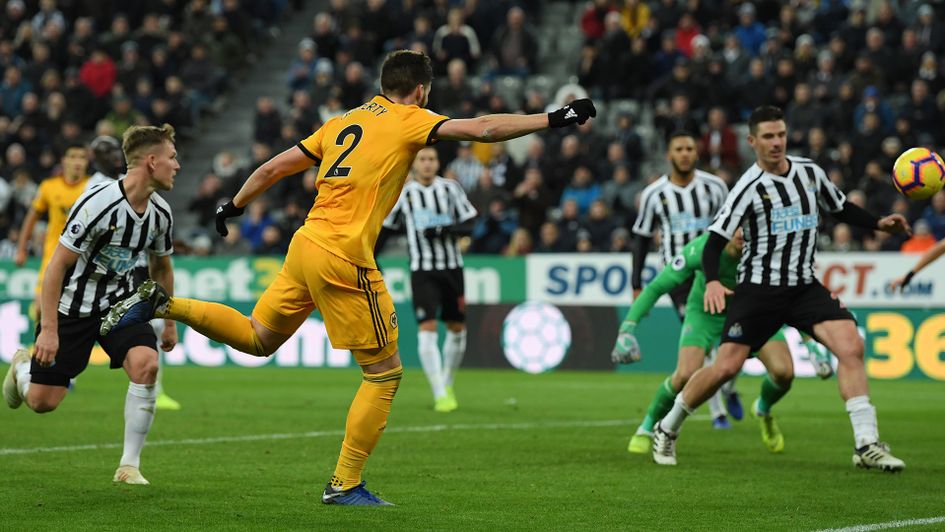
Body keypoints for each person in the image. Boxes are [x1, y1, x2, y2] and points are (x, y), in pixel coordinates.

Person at [100, 50, 596, 506]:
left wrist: (234, 203)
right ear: (421, 90)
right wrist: (556, 117)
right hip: (344, 255)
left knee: (257, 337)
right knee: (385, 373)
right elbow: (485, 129)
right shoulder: (411, 119)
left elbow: (276, 167)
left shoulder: (341, 122)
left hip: (306, 242)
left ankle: (165, 304)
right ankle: (344, 483)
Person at [651, 106, 909, 471]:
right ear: (752, 141)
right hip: (758, 290)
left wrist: (880, 224)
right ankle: (668, 426)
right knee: (725, 368)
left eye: (781, 135)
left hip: (803, 286)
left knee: (851, 345)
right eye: (769, 137)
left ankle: (866, 443)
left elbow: (841, 208)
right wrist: (711, 281)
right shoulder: (747, 186)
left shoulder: (809, 172)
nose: (777, 143)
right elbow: (713, 243)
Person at [2, 124, 179, 485]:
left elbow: (161, 266)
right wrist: (49, 331)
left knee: (147, 366)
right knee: (42, 402)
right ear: (150, 161)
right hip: (72, 307)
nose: (177, 166)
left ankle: (129, 465)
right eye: (172, 158)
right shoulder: (98, 203)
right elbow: (56, 268)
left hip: (120, 304)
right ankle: (23, 368)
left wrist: (170, 319)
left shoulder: (161, 214)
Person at [613, 229, 795, 455]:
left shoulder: (767, 249)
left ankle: (762, 409)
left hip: (750, 314)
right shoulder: (702, 248)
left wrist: (810, 341)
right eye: (738, 226)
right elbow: (657, 286)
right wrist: (627, 329)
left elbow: (793, 293)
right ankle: (647, 427)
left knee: (784, 372)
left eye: (749, 226)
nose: (742, 232)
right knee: (685, 374)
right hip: (705, 312)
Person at [630, 130, 738, 428]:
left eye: (690, 147)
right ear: (669, 154)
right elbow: (640, 239)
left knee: (733, 337)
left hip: (714, 272)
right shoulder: (654, 193)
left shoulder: (715, 187)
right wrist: (636, 284)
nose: (685, 153)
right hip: (680, 276)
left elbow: (733, 222)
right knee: (701, 346)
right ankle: (718, 411)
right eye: (679, 148)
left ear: (697, 152)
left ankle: (728, 387)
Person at [378, 147, 478, 412]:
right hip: (422, 270)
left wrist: (445, 229)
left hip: (452, 268)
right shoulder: (406, 193)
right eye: (422, 159)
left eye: (432, 159)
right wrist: (372, 258)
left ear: (438, 163)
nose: (427, 164)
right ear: (414, 165)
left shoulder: (450, 189)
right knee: (428, 327)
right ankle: (439, 392)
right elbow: (386, 229)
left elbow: (470, 223)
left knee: (457, 329)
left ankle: (446, 383)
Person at [86, 135, 181, 411]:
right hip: (107, 276)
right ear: (96, 157)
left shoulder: (132, 183)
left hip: (139, 267)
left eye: (117, 149)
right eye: (106, 151)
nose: (114, 155)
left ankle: (153, 389)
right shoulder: (97, 188)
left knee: (155, 324)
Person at [14, 143, 90, 321]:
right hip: (53, 254)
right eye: (73, 156)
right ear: (63, 161)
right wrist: (21, 249)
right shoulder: (49, 186)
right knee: (41, 308)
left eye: (82, 157)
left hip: (83, 258)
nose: (77, 162)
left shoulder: (94, 186)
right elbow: (31, 217)